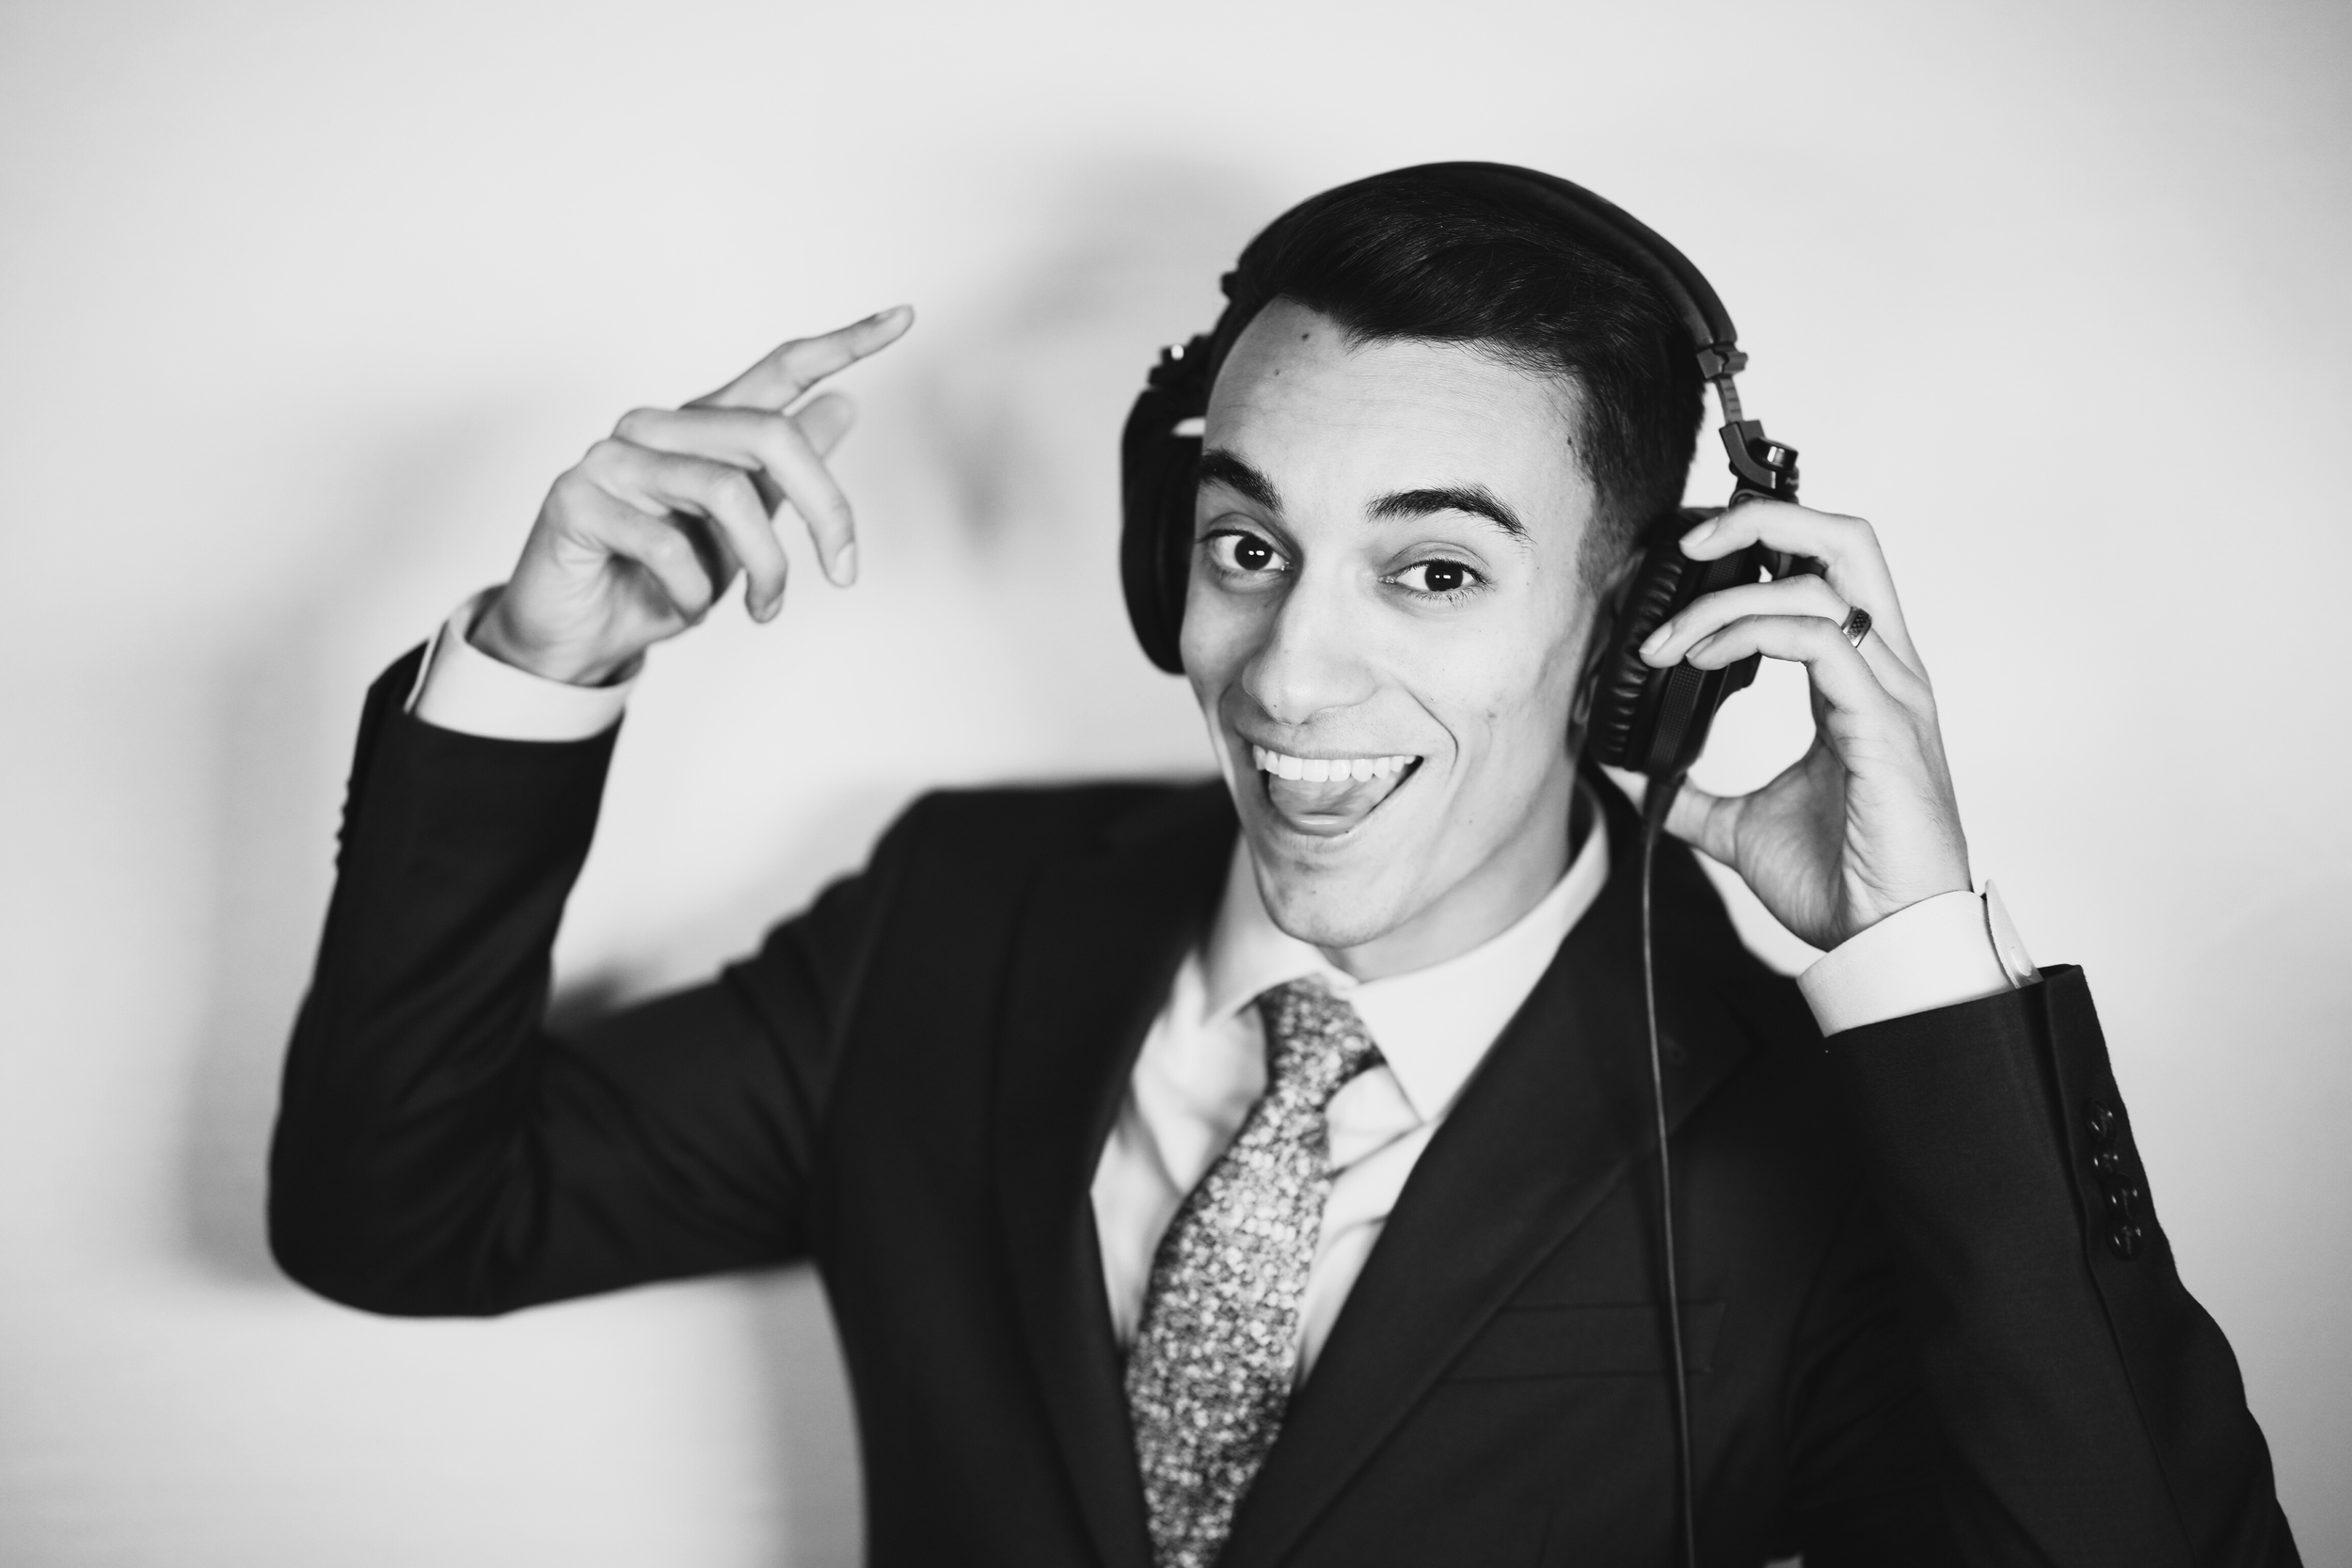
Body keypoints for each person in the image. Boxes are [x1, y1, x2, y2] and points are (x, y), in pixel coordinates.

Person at [268, 166, 2298, 1566]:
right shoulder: (958, 916)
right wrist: (538, 673)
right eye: (1247, 544)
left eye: (1429, 568)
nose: (1286, 667)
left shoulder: (1808, 1109)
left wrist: (1914, 969)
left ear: (1631, 628)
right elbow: (404, 1214)